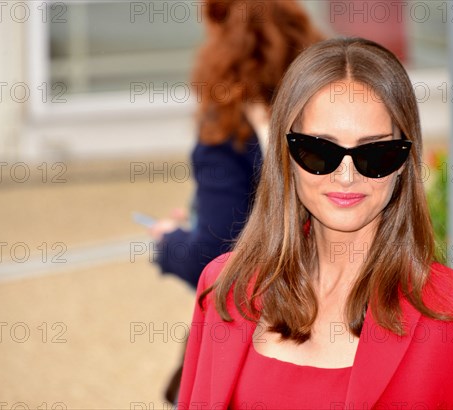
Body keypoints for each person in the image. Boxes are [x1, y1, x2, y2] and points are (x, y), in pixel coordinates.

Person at [177, 38, 453, 409]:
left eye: (375, 152)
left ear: (405, 160)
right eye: (320, 150)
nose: (346, 176)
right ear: (285, 154)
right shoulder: (226, 289)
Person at [148, 0, 323, 403]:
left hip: (259, 330)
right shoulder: (320, 110)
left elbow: (212, 259)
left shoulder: (227, 130)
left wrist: (169, 242)